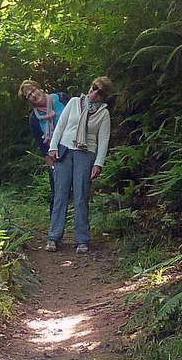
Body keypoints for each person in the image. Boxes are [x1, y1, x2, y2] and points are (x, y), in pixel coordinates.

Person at [46, 76, 113, 254]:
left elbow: (103, 139)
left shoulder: (103, 113)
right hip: (65, 150)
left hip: (86, 153)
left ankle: (82, 239)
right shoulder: (75, 102)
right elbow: (61, 125)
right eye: (94, 88)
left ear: (103, 96)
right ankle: (53, 237)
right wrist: (53, 147)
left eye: (100, 92)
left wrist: (99, 163)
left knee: (81, 195)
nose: (94, 93)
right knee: (60, 194)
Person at [18, 80, 70, 216]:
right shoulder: (34, 118)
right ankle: (55, 228)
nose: (33, 95)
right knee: (57, 192)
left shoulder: (61, 98)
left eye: (33, 90)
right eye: (29, 95)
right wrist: (51, 165)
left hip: (75, 147)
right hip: (56, 155)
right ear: (28, 100)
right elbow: (41, 145)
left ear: (39, 88)